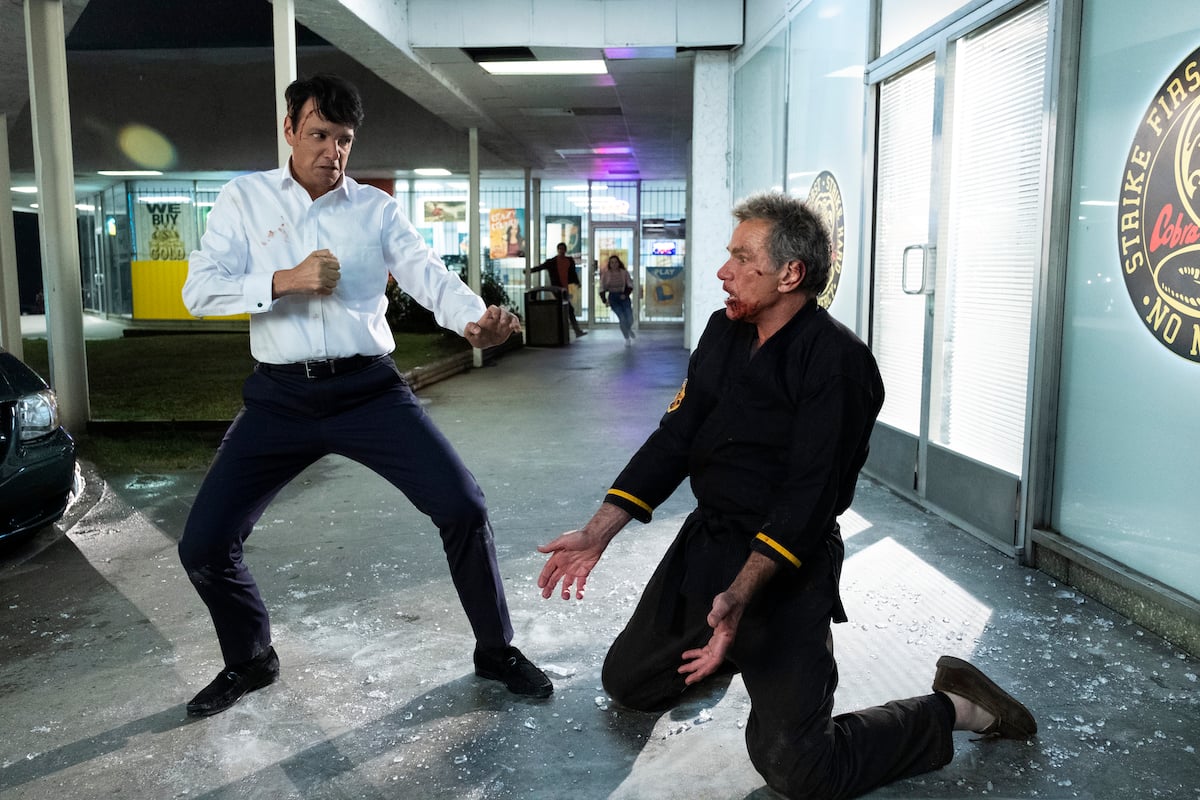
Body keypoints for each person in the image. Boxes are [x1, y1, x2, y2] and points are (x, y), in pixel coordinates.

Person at [536, 191, 1036, 799]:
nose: (722, 271)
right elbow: (676, 437)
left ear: (790, 274)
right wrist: (597, 532)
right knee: (628, 683)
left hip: (783, 563)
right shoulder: (725, 330)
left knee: (800, 771)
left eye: (741, 258)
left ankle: (956, 704)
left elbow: (808, 498)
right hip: (709, 539)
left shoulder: (839, 366)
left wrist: (742, 598)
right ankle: (734, 648)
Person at [178, 73, 552, 718]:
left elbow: (425, 272)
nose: (332, 151)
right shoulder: (243, 200)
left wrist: (471, 320)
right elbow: (199, 291)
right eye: (319, 134)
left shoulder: (375, 209)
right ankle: (250, 658)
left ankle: (496, 650)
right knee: (204, 544)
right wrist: (283, 280)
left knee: (463, 506)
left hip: (369, 391)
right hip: (280, 398)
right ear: (290, 129)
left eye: (344, 139)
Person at [532, 242, 585, 337]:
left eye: (563, 249)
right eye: (560, 249)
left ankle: (566, 331)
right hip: (557, 289)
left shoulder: (569, 260)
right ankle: (574, 331)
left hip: (564, 288)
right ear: (558, 250)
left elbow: (572, 273)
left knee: (565, 309)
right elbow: (540, 267)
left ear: (565, 250)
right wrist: (529, 270)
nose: (562, 251)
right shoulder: (552, 262)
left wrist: (577, 282)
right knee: (568, 309)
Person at [598, 254, 635, 345]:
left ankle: (628, 328)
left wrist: (625, 294)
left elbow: (630, 285)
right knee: (622, 317)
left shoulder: (624, 273)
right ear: (609, 264)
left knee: (629, 317)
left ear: (619, 263)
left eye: (616, 262)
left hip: (624, 297)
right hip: (613, 298)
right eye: (612, 263)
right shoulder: (606, 275)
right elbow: (602, 288)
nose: (614, 264)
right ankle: (627, 338)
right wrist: (604, 300)